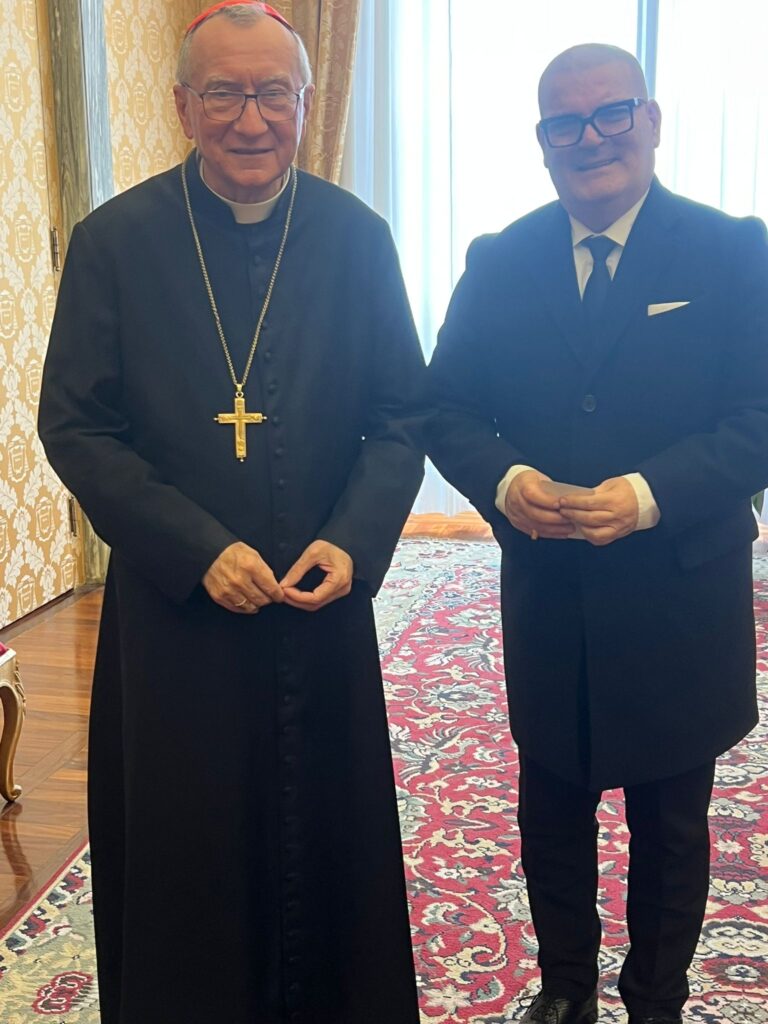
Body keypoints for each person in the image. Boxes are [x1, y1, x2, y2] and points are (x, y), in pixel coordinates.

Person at [38, 4, 424, 1022]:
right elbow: (76, 425)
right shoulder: (115, 243)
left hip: (319, 599)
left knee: (327, 832)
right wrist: (196, 548)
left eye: (272, 94)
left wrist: (353, 540)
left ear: (306, 100)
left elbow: (402, 416)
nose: (250, 119)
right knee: (188, 835)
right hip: (178, 614)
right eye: (223, 93)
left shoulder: (356, 238)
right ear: (182, 104)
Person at [426, 42, 768, 1024]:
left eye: (612, 113)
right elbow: (445, 404)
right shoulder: (500, 259)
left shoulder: (733, 251)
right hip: (550, 590)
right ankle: (566, 989)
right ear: (542, 142)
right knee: (551, 807)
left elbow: (759, 415)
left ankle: (656, 1000)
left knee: (672, 822)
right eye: (564, 123)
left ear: (650, 121)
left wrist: (651, 493)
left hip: (680, 589)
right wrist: (504, 478)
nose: (591, 139)